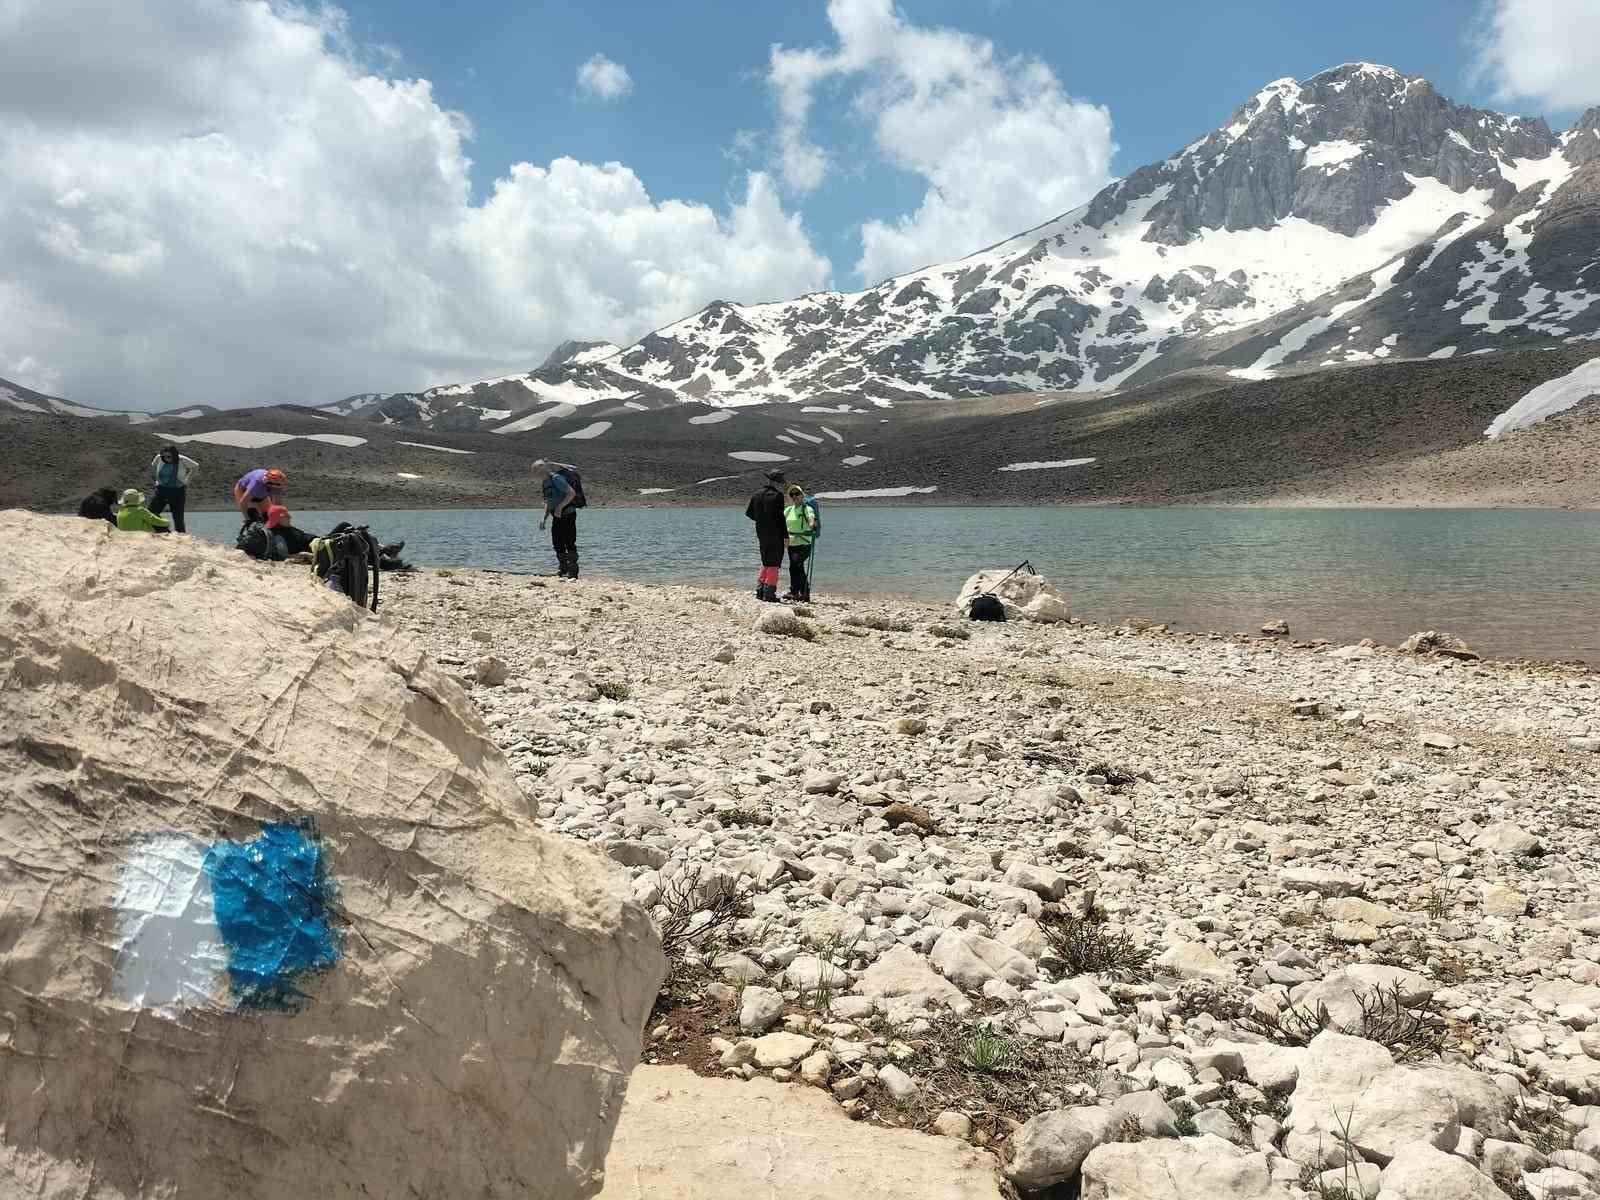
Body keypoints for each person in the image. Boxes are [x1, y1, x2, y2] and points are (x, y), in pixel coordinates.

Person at [744, 470, 787, 602]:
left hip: (761, 532)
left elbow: (749, 513)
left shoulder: (756, 494)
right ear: (776, 483)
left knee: (766, 561)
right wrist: (786, 536)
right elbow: (781, 519)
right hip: (775, 533)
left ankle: (760, 590)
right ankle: (769, 593)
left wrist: (761, 521)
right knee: (774, 563)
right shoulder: (777, 496)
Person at [538, 465, 580, 579]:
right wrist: (544, 518)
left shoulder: (556, 478)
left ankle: (573, 572)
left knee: (569, 542)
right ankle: (563, 569)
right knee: (557, 542)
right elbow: (548, 501)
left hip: (568, 514)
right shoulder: (545, 483)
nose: (535, 473)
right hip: (557, 516)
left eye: (537, 470)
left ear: (544, 469)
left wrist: (560, 507)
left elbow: (571, 493)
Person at [148, 445, 199, 533]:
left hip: (177, 491)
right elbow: (153, 467)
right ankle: (164, 532)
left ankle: (182, 539)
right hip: (161, 490)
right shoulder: (159, 458)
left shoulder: (182, 460)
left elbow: (196, 466)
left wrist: (187, 481)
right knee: (151, 513)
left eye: (169, 456)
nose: (166, 458)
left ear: (174, 456)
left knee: (178, 519)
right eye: (164, 456)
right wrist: (156, 481)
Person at [781, 483, 817, 602]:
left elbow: (811, 518)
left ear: (802, 496)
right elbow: (780, 522)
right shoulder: (788, 510)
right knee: (794, 567)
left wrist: (812, 524)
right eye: (792, 494)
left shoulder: (807, 509)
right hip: (791, 544)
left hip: (804, 543)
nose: (794, 496)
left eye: (797, 493)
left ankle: (803, 593)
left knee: (797, 565)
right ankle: (796, 592)